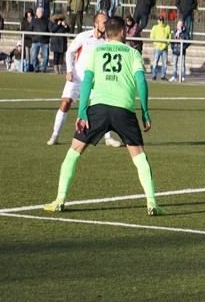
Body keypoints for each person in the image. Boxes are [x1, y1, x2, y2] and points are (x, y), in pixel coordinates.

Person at [43, 16, 167, 216]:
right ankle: (152, 203)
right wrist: (144, 112)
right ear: (122, 33)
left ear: (107, 33)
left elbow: (86, 82)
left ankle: (60, 199)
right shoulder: (133, 53)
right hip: (124, 111)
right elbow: (141, 83)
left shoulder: (95, 51)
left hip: (98, 109)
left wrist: (83, 111)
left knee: (73, 152)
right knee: (139, 157)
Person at [47, 12, 122, 148]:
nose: (106, 25)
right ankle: (55, 135)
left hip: (94, 81)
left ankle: (108, 137)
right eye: (104, 22)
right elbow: (69, 52)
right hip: (76, 77)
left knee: (104, 107)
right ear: (96, 24)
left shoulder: (107, 40)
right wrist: (69, 70)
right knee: (65, 103)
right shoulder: (84, 36)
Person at [149, 14, 171, 80]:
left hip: (164, 47)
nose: (161, 21)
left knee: (165, 63)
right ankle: (154, 75)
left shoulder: (167, 27)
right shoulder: (155, 27)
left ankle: (163, 75)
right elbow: (152, 36)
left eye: (162, 20)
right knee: (155, 62)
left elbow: (169, 36)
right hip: (157, 47)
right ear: (158, 21)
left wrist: (167, 43)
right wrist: (155, 43)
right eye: (160, 20)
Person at [29, 6, 51, 73]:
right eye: (39, 12)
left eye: (41, 12)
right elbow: (30, 30)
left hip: (44, 42)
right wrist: (32, 37)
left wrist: (47, 38)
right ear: (36, 13)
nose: (40, 13)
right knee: (33, 56)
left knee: (46, 56)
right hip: (35, 41)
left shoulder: (47, 21)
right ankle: (36, 68)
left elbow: (50, 30)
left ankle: (43, 68)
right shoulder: (33, 21)